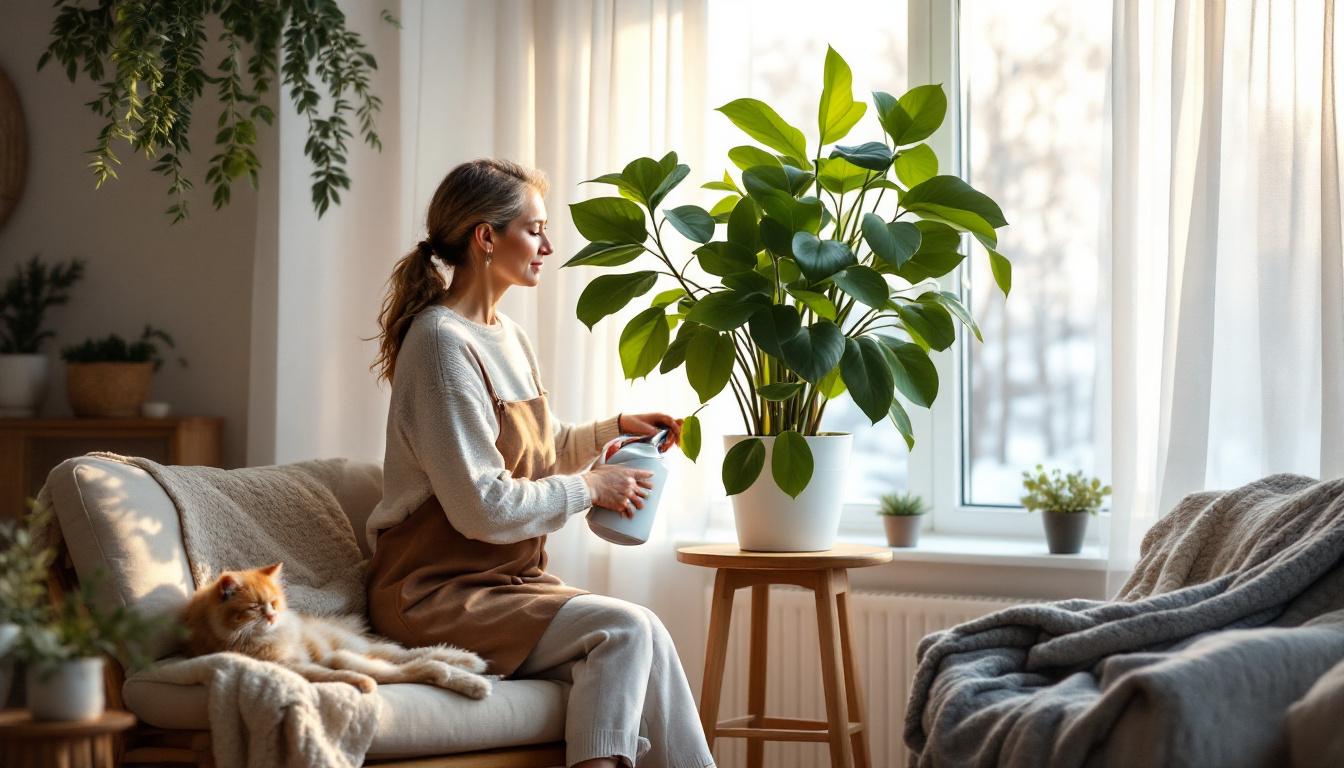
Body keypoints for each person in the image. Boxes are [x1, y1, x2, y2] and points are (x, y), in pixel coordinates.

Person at [366, 159, 716, 768]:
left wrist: (613, 429)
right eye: (535, 230)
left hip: (505, 582)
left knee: (646, 635)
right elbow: (482, 507)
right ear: (486, 237)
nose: (548, 247)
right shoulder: (441, 343)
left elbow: (543, 446)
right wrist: (591, 489)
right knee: (625, 630)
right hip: (434, 592)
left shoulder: (507, 335)